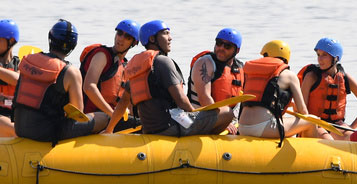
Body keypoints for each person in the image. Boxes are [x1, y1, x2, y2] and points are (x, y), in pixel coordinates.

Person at [106, 20, 235, 136]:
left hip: (149, 129)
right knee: (227, 112)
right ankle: (203, 141)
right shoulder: (163, 62)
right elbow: (181, 100)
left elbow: (123, 103)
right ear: (152, 38)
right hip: (172, 127)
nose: (170, 38)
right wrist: (194, 115)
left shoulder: (137, 64)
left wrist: (109, 130)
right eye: (166, 33)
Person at [12, 20, 110, 143]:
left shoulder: (28, 60)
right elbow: (77, 114)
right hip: (47, 133)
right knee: (103, 117)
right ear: (72, 46)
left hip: (19, 128)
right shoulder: (70, 72)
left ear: (50, 38)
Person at [237, 40, 327, 142]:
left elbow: (260, 101)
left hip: (242, 126)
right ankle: (310, 154)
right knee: (311, 121)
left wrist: (290, 105)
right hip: (262, 127)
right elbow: (303, 112)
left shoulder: (250, 71)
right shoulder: (289, 75)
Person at [297, 37, 357, 130]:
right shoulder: (311, 77)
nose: (319, 59)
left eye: (324, 55)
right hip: (313, 126)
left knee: (350, 137)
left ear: (335, 58)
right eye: (318, 55)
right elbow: (301, 109)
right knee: (327, 138)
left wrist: (352, 126)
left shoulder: (345, 78)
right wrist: (311, 124)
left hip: (336, 127)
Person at [80, 19, 140, 125]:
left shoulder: (126, 67)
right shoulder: (102, 55)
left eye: (127, 37)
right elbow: (89, 86)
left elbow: (128, 103)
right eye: (119, 33)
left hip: (111, 118)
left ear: (134, 43)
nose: (121, 38)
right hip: (92, 116)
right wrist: (113, 114)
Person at [188, 27, 246, 107]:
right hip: (199, 115)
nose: (221, 48)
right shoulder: (205, 63)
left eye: (227, 46)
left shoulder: (240, 68)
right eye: (219, 43)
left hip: (227, 116)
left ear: (237, 50)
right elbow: (204, 98)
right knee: (227, 112)